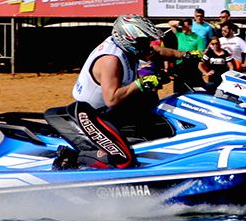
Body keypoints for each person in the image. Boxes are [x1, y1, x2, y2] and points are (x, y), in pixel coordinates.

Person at [68, 15, 192, 170]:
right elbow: (111, 100)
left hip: (112, 109)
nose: (148, 44)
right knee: (123, 159)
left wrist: (186, 54)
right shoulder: (111, 60)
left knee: (152, 106)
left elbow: (157, 51)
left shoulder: (127, 47)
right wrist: (141, 83)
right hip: (92, 113)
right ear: (129, 39)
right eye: (144, 41)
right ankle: (75, 160)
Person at [173, 17, 206, 93]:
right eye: (182, 26)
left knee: (192, 88)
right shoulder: (180, 35)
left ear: (190, 26)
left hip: (191, 67)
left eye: (184, 26)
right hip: (180, 65)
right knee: (179, 89)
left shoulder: (198, 38)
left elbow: (200, 53)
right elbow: (171, 24)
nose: (182, 28)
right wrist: (179, 23)